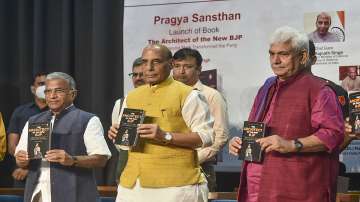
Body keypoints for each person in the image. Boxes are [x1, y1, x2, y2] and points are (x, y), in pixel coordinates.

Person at [229, 26, 344, 202]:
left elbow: (333, 134)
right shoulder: (267, 86)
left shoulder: (319, 90)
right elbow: (257, 129)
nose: (275, 60)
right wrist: (242, 144)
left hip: (296, 188)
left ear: (303, 56)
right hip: (256, 186)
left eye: (283, 54)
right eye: (271, 54)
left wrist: (291, 144)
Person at [108, 44, 214, 202]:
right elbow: (125, 144)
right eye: (145, 62)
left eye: (156, 62)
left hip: (176, 185)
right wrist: (117, 134)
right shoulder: (132, 96)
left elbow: (206, 137)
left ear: (170, 64)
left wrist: (165, 135)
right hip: (132, 184)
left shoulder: (188, 95)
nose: (149, 68)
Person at [15, 72, 111, 202]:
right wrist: (21, 159)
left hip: (73, 195)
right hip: (37, 193)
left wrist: (72, 160)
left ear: (73, 94)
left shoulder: (88, 120)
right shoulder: (33, 121)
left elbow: (101, 159)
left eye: (58, 91)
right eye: (48, 92)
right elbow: (20, 159)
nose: (52, 96)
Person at [172, 47, 229, 192]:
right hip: (167, 166)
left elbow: (220, 136)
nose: (181, 71)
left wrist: (193, 159)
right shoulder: (167, 95)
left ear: (199, 70)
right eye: (177, 66)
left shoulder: (212, 96)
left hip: (200, 167)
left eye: (188, 66)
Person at [106, 57, 145, 185]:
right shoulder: (121, 102)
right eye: (135, 74)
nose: (138, 78)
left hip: (153, 168)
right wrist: (113, 134)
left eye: (142, 74)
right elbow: (117, 139)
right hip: (126, 167)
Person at [7, 72, 47, 186]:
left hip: (51, 173)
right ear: (33, 89)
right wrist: (24, 165)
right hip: (22, 172)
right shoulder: (20, 112)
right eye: (41, 84)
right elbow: (12, 146)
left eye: (47, 84)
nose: (44, 87)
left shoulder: (58, 112)